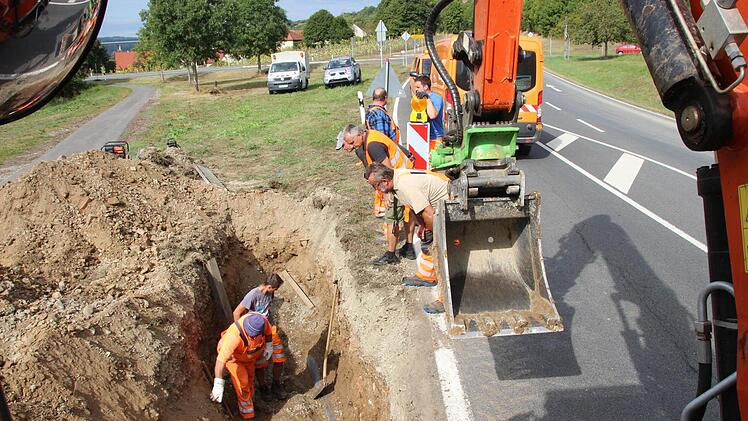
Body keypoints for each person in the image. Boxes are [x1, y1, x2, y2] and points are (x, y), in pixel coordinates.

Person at [365, 163, 450, 314]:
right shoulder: (396, 178)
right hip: (440, 207)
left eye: (375, 186)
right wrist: (422, 226)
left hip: (450, 208)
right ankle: (429, 276)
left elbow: (430, 214)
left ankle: (446, 300)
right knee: (428, 242)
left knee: (442, 252)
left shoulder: (405, 186)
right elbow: (414, 206)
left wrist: (432, 231)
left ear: (384, 181)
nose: (376, 190)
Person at [337, 124, 417, 265]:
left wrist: (386, 193)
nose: (350, 146)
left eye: (351, 142)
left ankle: (391, 254)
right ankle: (409, 247)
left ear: (360, 135)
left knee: (392, 217)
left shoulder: (373, 145)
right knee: (408, 211)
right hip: (405, 174)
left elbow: (387, 171)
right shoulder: (371, 136)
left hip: (397, 179)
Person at [233, 273, 287, 401]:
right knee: (259, 362)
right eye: (275, 289)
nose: (275, 291)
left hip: (269, 328)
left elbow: (267, 310)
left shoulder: (270, 293)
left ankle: (276, 384)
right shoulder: (252, 295)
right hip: (255, 332)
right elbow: (236, 312)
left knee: (279, 357)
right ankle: (263, 388)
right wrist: (241, 333)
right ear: (269, 286)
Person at [210, 312, 273, 419]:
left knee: (250, 379)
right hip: (235, 360)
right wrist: (218, 384)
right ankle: (247, 414)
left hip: (249, 358)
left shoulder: (262, 322)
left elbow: (268, 333)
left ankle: (251, 402)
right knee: (242, 384)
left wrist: (268, 345)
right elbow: (220, 361)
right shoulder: (233, 337)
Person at [413, 75, 445, 144]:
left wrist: (427, 99)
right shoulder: (418, 99)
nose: (416, 89)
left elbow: (432, 115)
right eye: (415, 87)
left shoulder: (436, 98)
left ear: (426, 87)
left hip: (435, 137)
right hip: (421, 135)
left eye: (418, 87)